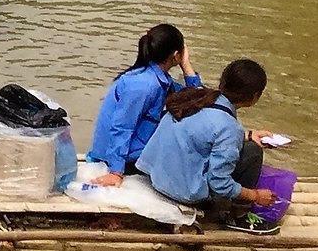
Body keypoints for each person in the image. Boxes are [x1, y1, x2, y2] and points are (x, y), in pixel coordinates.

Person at [138, 60, 276, 217]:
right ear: (254, 97)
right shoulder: (229, 127)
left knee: (244, 147)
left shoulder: (194, 97)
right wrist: (255, 195)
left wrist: (247, 135)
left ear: (222, 82)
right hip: (185, 193)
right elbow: (219, 183)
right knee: (253, 151)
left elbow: (202, 134)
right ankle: (238, 215)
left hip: (156, 177)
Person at [89, 24, 202, 184]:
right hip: (119, 159)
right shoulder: (144, 84)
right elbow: (122, 127)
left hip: (133, 150)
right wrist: (116, 172)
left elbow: (197, 99)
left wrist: (186, 67)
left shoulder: (157, 78)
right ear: (176, 55)